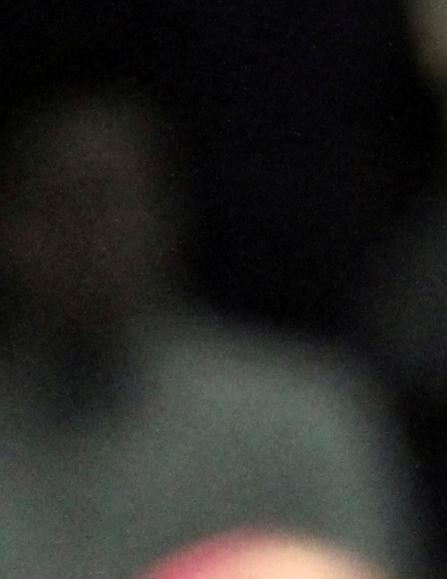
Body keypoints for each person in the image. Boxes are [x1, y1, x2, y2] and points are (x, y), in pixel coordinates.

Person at [0, 87, 419, 579]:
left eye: (108, 200)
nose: (85, 236)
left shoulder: (300, 415)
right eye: (54, 204)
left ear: (167, 215)